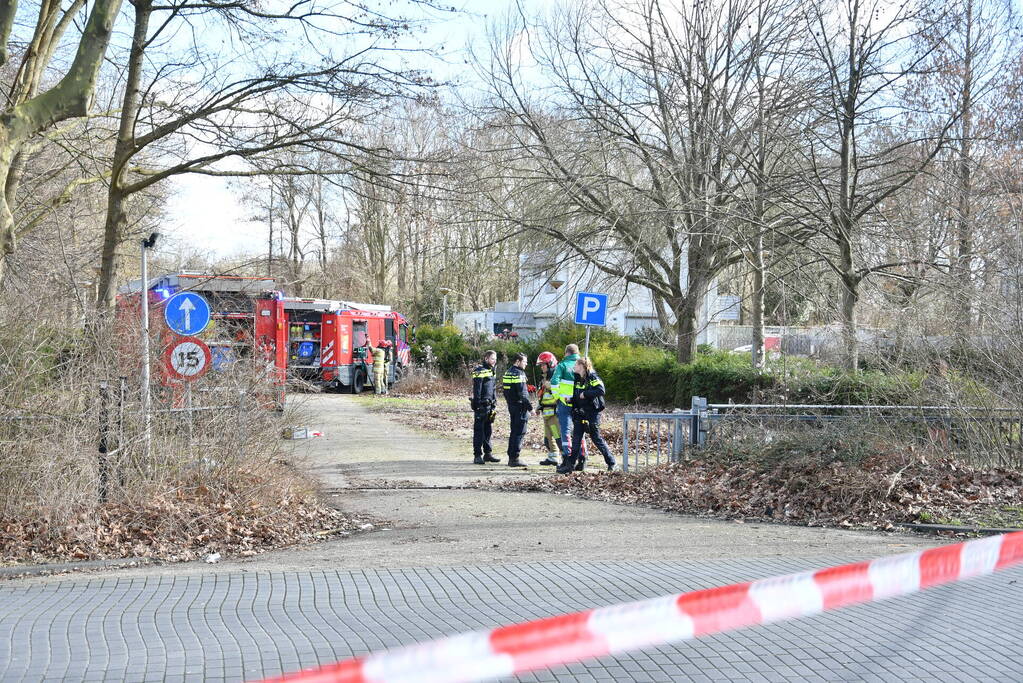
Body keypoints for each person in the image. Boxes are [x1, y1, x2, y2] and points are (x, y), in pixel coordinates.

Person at [557, 356, 616, 474]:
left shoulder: (592, 377)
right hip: (580, 413)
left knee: (596, 438)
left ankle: (611, 462)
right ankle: (570, 466)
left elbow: (601, 390)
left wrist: (586, 394)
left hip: (592, 413)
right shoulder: (578, 379)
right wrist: (571, 399)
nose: (574, 367)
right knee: (576, 440)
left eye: (576, 365)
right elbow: (577, 395)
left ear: (582, 366)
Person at [550, 343, 586, 461]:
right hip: (579, 403)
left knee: (565, 430)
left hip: (565, 402)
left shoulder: (563, 365)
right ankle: (582, 457)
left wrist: (556, 397)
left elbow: (554, 382)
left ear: (567, 353)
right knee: (579, 431)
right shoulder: (583, 364)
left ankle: (568, 458)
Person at [501, 352, 532, 468]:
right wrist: (530, 408)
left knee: (514, 431)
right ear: (518, 362)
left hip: (511, 406)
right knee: (520, 432)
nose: (526, 364)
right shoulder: (519, 374)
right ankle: (515, 458)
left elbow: (505, 391)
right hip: (520, 407)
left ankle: (511, 456)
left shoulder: (507, 372)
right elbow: (523, 394)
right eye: (524, 362)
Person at [470, 350, 500, 465]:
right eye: (492, 358)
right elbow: (477, 389)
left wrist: (494, 402)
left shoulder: (492, 371)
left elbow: (493, 388)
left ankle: (488, 454)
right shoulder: (479, 371)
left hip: (490, 405)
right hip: (481, 406)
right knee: (479, 431)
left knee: (488, 431)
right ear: (486, 359)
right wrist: (477, 405)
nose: (494, 361)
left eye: (495, 359)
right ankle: (477, 455)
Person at [535, 351, 562, 467]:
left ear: (550, 364)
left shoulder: (557, 376)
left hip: (554, 413)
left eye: (543, 365)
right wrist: (539, 406)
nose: (541, 367)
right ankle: (553, 458)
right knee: (547, 439)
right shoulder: (545, 377)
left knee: (558, 437)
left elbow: (561, 391)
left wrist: (550, 386)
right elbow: (543, 395)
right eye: (540, 365)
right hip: (546, 412)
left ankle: (566, 459)